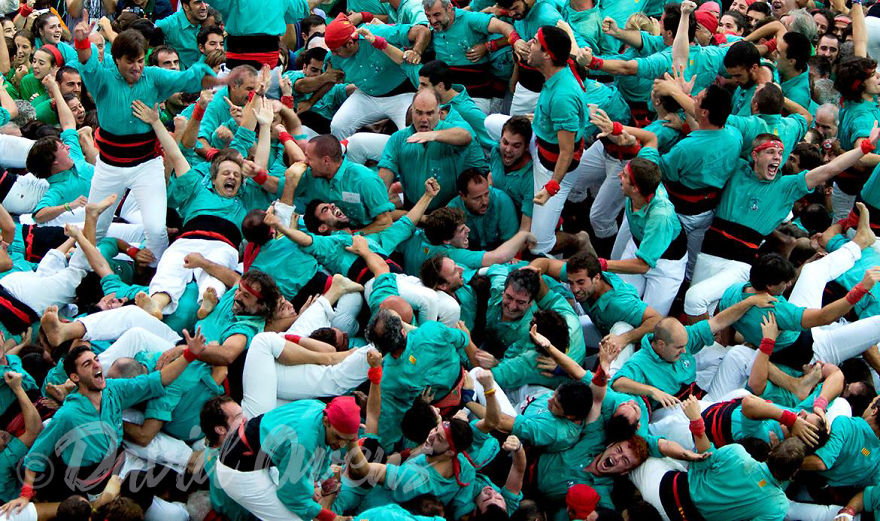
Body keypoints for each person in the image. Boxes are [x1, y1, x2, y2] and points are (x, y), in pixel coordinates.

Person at [71, 15, 224, 267]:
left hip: (147, 165)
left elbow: (187, 78)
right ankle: (81, 273)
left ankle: (151, 279)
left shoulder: (153, 76)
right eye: (130, 62)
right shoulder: (103, 77)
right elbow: (87, 62)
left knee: (156, 230)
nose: (136, 67)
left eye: (140, 61)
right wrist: (81, 40)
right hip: (109, 167)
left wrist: (219, 75)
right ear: (116, 59)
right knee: (96, 227)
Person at [155, 0, 208, 69]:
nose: (204, 7)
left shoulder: (211, 19)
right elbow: (144, 30)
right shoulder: (169, 24)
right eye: (197, 3)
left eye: (205, 2)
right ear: (186, 7)